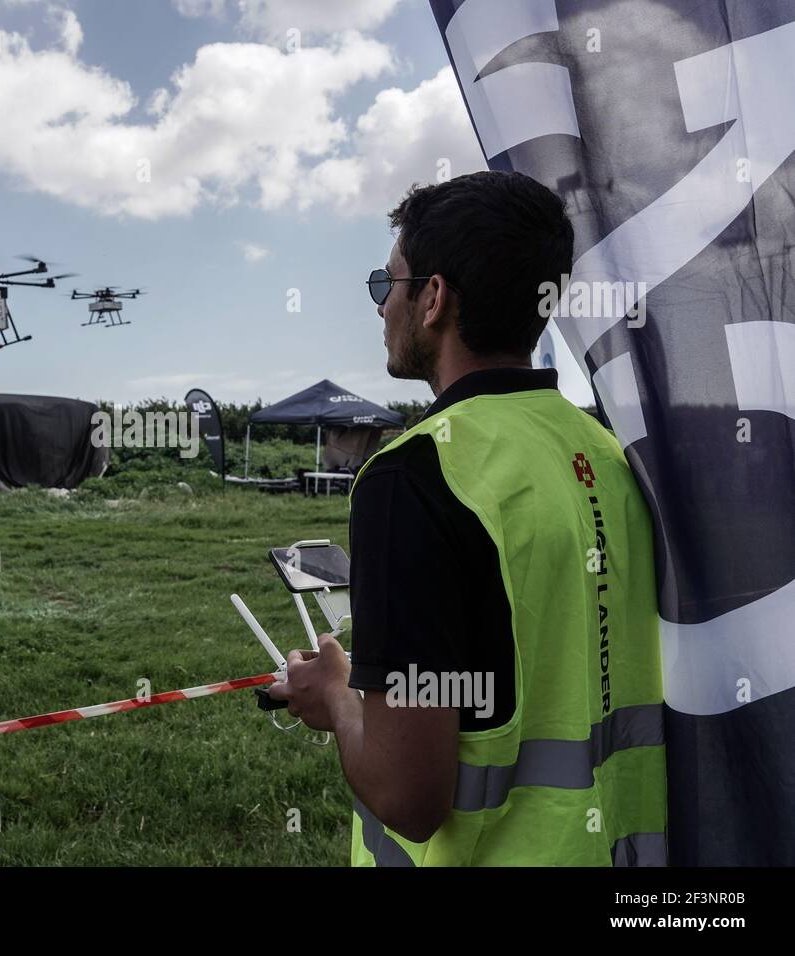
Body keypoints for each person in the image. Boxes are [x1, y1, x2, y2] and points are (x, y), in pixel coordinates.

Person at [267, 171, 667, 866]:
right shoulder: (607, 453)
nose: (379, 307)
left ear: (433, 298)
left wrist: (336, 696)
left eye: (384, 284)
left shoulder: (414, 477)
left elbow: (409, 797)